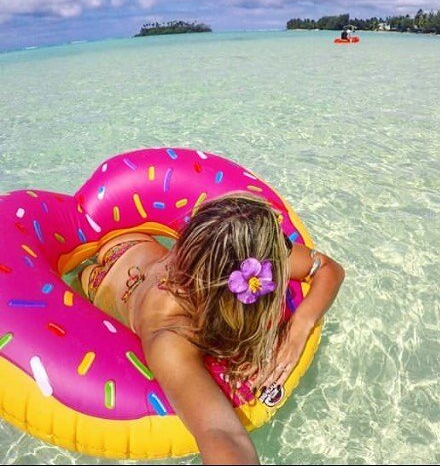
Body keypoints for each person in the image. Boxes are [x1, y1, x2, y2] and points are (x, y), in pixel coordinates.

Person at [79, 192, 345, 464]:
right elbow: (220, 432)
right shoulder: (169, 334)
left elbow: (328, 268)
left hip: (138, 248)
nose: (286, 247)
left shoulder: (217, 258)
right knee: (83, 275)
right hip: (100, 285)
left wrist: (299, 327)